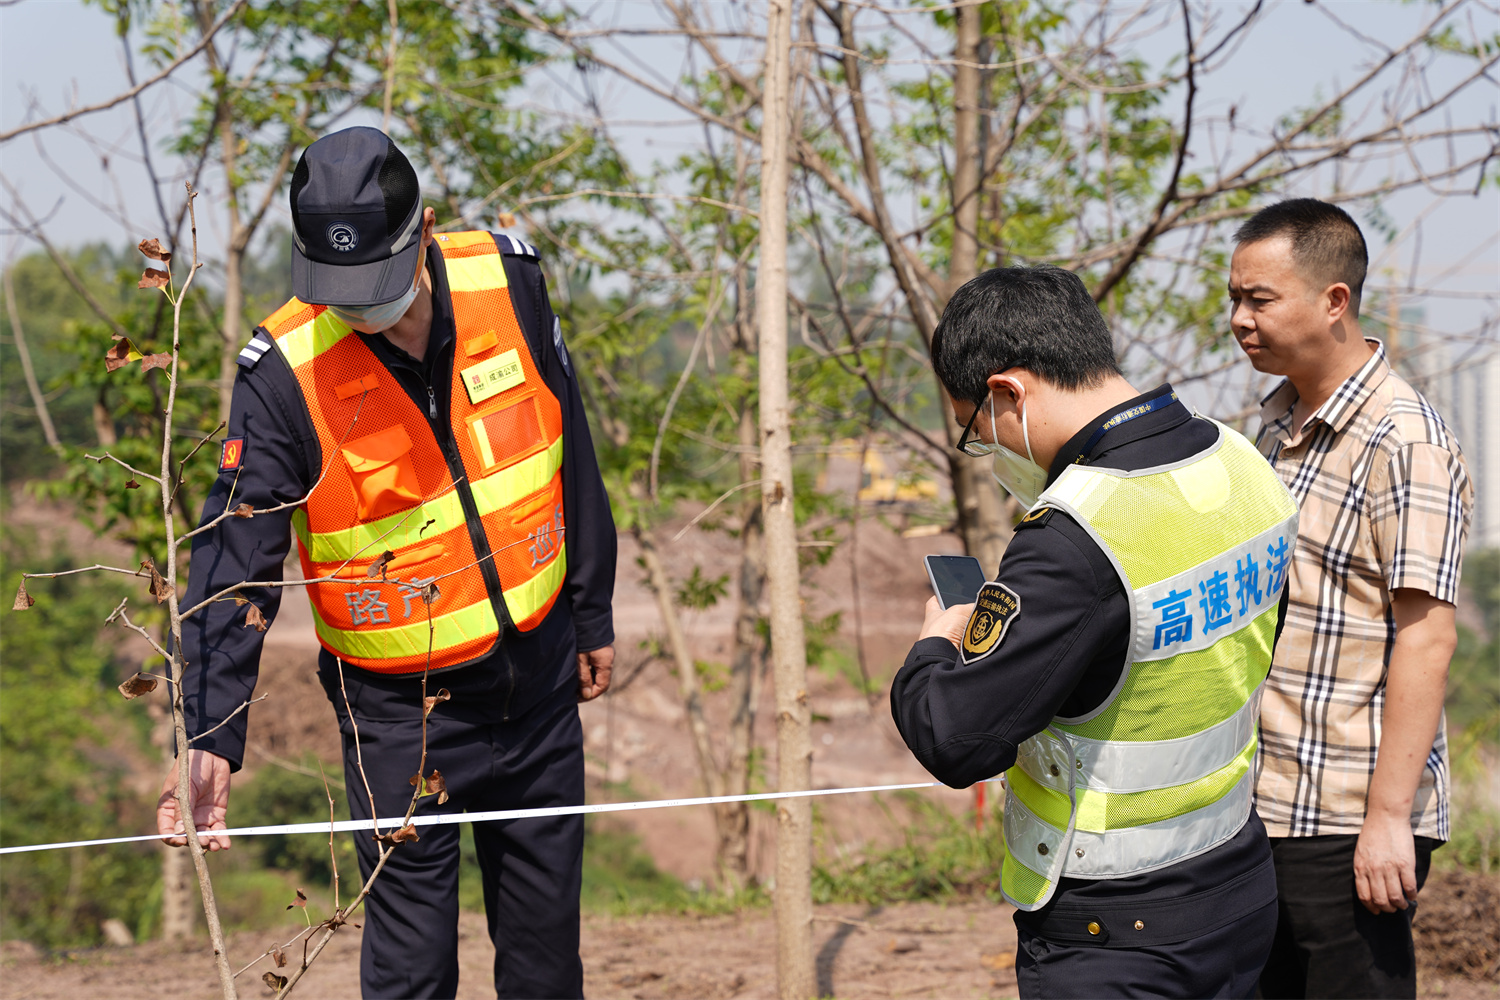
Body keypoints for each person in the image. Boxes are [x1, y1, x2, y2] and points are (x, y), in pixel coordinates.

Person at [154, 127, 617, 999]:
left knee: (547, 965)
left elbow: (570, 448)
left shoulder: (508, 281)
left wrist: (592, 610)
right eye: (339, 291)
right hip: (398, 716)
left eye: (375, 285)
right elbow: (236, 555)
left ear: (425, 229)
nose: (361, 312)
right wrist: (209, 732)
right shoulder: (283, 369)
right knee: (411, 974)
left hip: (540, 679)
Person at [892, 265, 1300, 998]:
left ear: (1008, 393)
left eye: (977, 431)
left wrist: (935, 645)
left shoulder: (1075, 537)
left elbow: (956, 739)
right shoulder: (1239, 460)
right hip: (1237, 880)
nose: (988, 451)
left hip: (1116, 932)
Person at [1229, 198, 1473, 999]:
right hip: (1264, 800)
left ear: (1334, 300)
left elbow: (1428, 636)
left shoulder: (1405, 441)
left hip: (1345, 811)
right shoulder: (1275, 428)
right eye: (1234, 299)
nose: (1240, 320)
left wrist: (1388, 818)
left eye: (1259, 299)